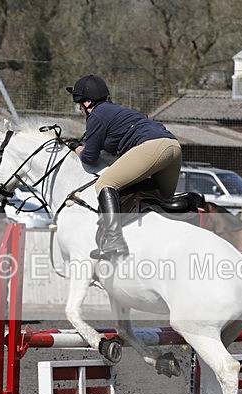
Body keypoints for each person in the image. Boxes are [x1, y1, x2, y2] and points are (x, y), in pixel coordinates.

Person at [66, 74, 183, 260]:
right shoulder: (118, 111)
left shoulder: (96, 115)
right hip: (173, 148)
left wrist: (75, 146)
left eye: (79, 104)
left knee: (105, 184)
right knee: (162, 201)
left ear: (88, 102)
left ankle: (114, 240)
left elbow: (89, 157)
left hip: (152, 147)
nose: (79, 109)